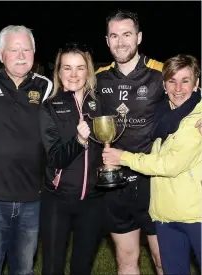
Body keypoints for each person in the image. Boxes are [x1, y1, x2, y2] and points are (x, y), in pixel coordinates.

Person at [103, 54, 201, 275]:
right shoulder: (163, 113)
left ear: (196, 84)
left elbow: (170, 165)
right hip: (165, 215)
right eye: (172, 81)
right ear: (163, 85)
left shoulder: (197, 119)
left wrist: (123, 157)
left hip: (196, 216)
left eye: (185, 81)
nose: (178, 88)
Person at [0, 25, 52, 275]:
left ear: (34, 52)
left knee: (24, 270)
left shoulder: (45, 87)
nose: (21, 55)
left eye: (26, 49)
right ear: (0, 53)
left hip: (31, 200)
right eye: (13, 49)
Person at [95, 10, 164, 274]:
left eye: (127, 34)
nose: (120, 41)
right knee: (125, 261)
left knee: (162, 260)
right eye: (114, 35)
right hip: (115, 184)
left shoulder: (160, 73)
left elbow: (190, 94)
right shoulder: (98, 78)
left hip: (154, 184)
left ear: (139, 37)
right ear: (107, 40)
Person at [39, 42, 105, 275]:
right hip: (58, 200)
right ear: (58, 72)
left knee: (82, 266)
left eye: (80, 67)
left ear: (89, 70)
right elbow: (55, 158)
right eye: (67, 68)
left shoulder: (100, 104)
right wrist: (78, 141)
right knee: (53, 266)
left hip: (93, 201)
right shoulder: (49, 108)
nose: (74, 74)